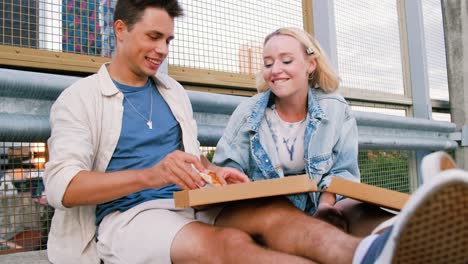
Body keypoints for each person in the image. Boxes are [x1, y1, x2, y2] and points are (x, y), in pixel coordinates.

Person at [44, 1, 468, 262]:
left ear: (310, 64)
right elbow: (63, 186)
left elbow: (188, 163)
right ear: (119, 30)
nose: (162, 50)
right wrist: (153, 175)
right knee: (230, 248)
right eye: (154, 37)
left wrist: (214, 173)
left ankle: (373, 255)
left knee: (281, 217)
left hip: (191, 202)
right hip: (131, 216)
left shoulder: (172, 92)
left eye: (169, 40)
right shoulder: (78, 98)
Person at [213, 27, 392, 235]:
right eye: (268, 63)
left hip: (325, 203)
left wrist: (326, 206)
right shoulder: (247, 112)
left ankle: (397, 240)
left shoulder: (335, 108)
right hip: (269, 210)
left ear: (311, 64)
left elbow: (343, 171)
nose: (275, 70)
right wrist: (230, 178)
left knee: (361, 211)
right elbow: (225, 169)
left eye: (286, 61)